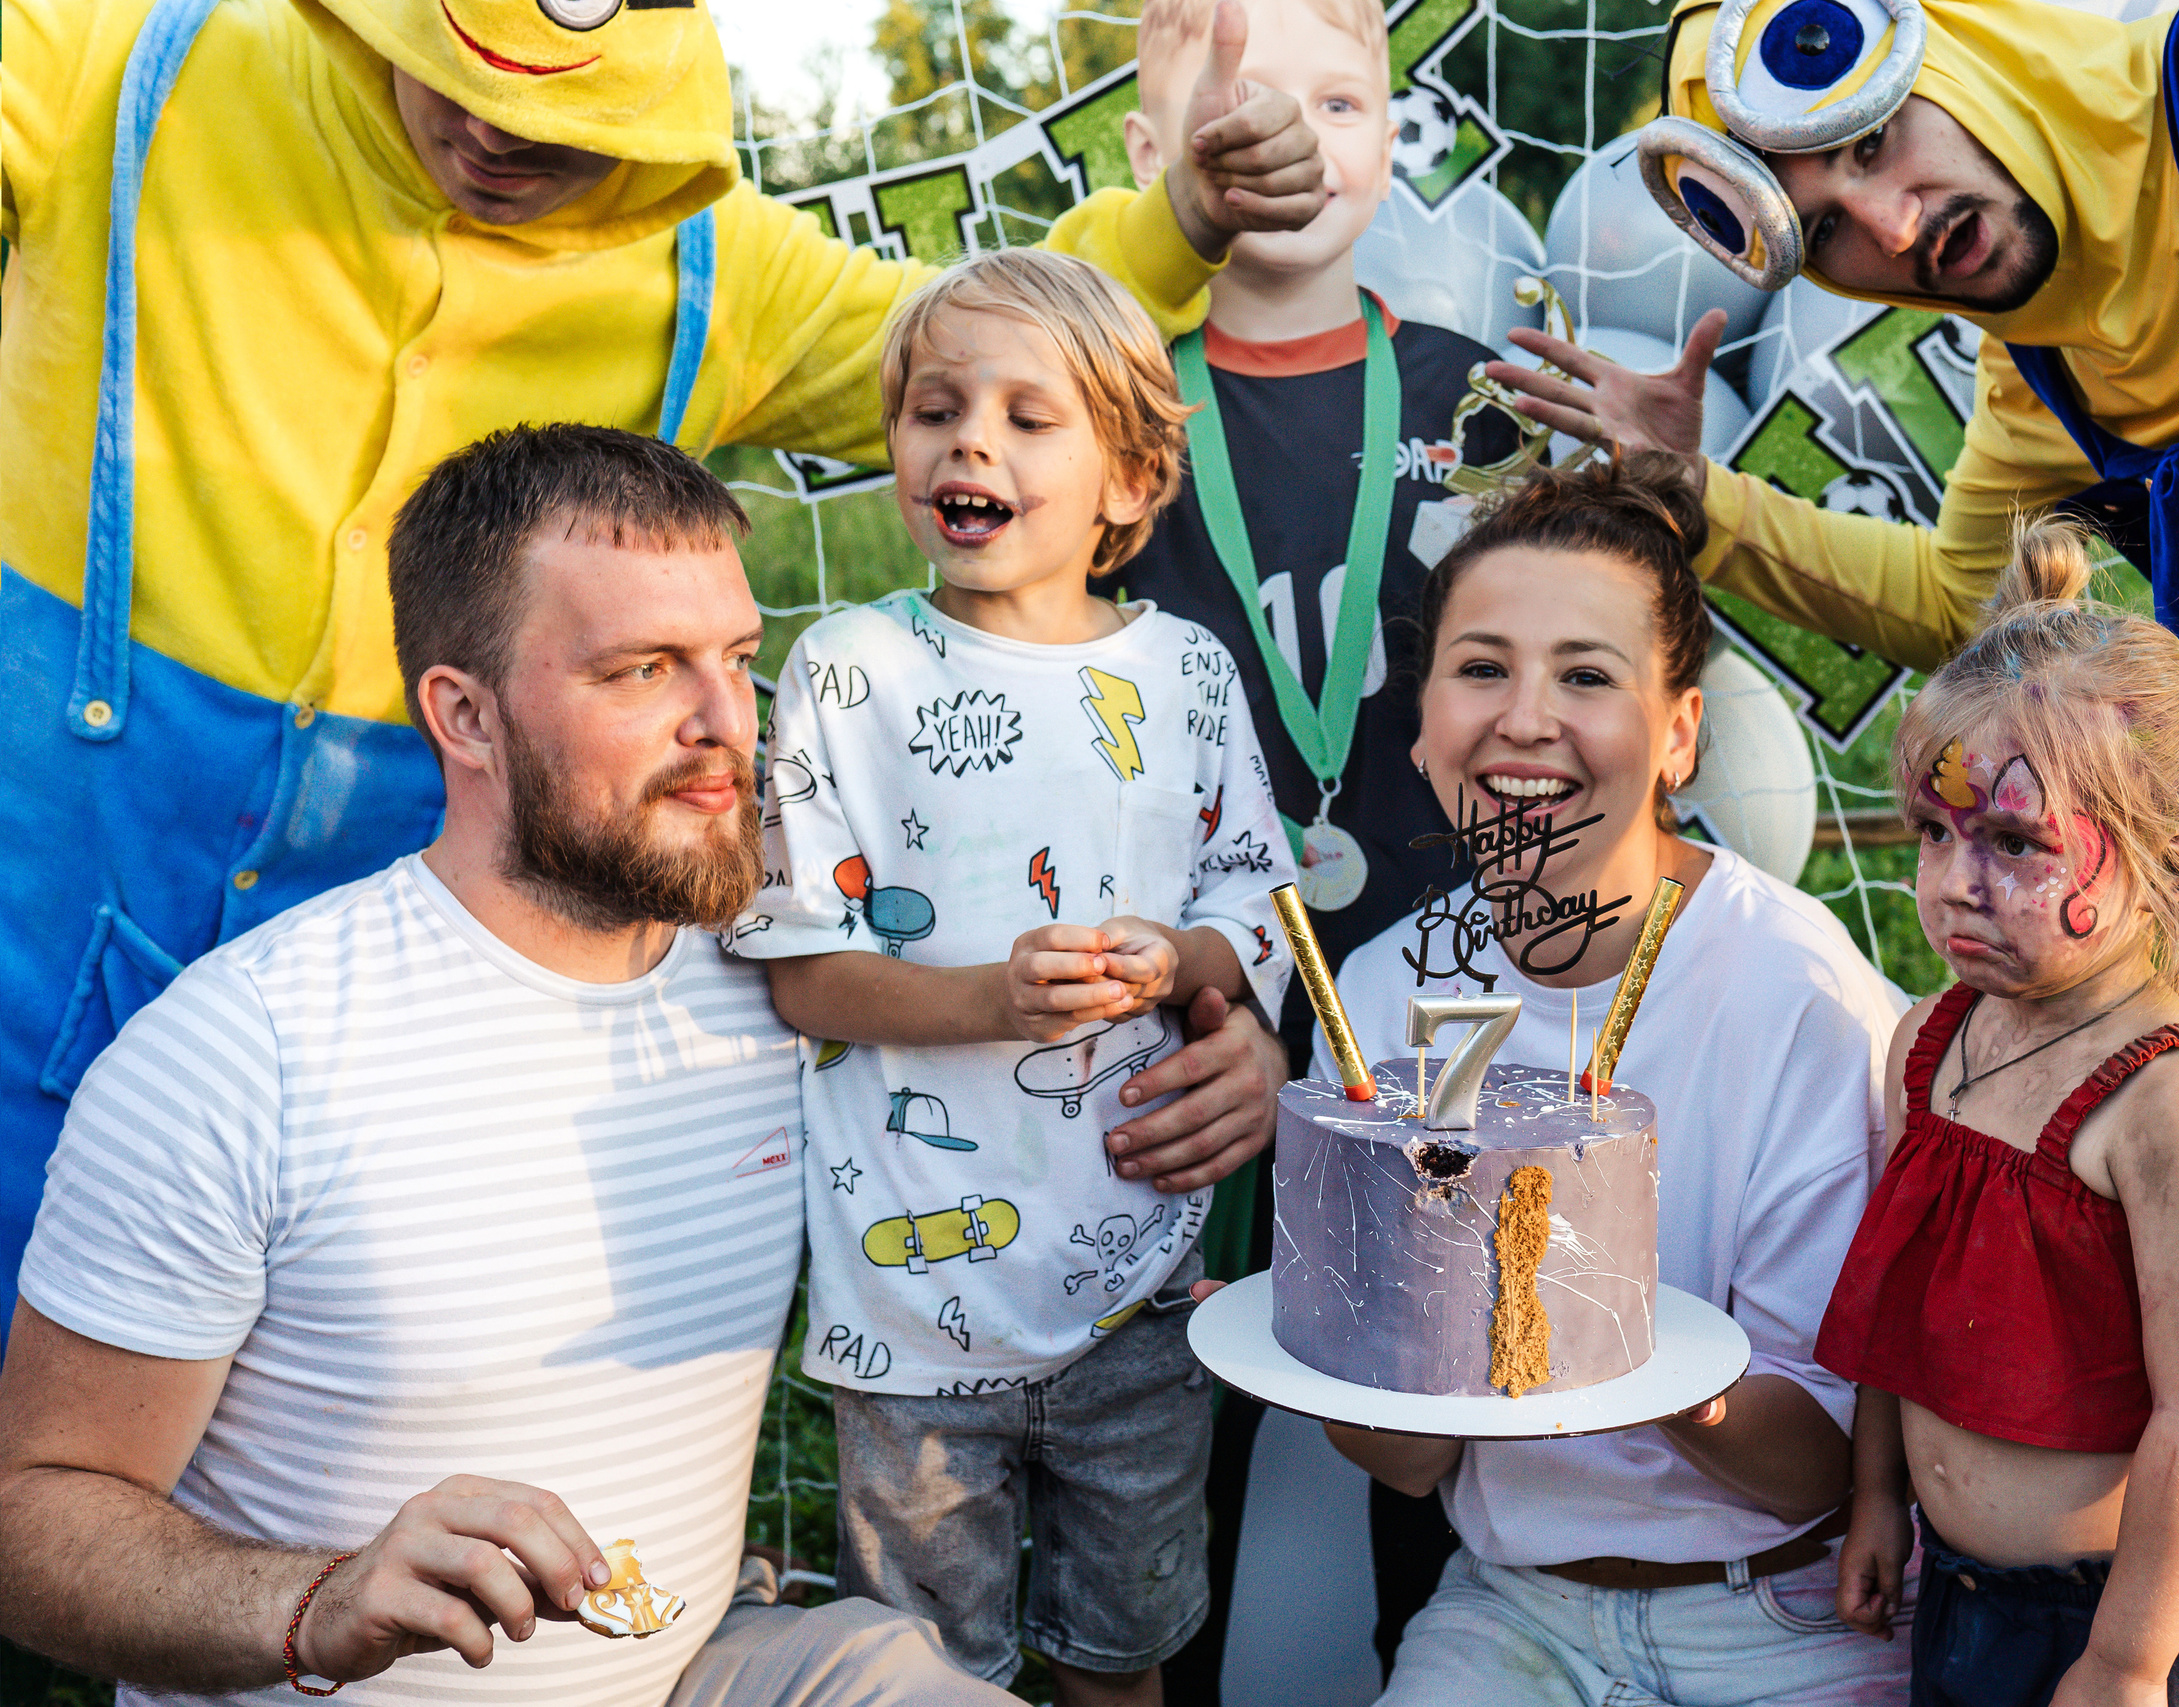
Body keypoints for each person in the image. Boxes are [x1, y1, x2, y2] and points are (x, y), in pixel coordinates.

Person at [1494, 2, 2179, 1697]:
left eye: (1872, 142)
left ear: (1952, 52)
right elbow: (1952, 602)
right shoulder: (2037, 367)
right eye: (1827, 228)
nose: (1892, 221)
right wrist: (1700, 493)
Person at [0, 0, 1329, 1328]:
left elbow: (985, 341)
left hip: (443, 905)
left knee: (369, 1331)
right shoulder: (118, 62)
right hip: (49, 860)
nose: (494, 131)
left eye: (553, 115)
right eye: (461, 77)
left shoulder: (715, 265)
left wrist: (1181, 220)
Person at [0, 424, 1017, 1705]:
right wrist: (319, 1602)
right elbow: (32, 1520)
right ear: (466, 716)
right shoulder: (243, 1057)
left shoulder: (791, 978)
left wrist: (1214, 1049)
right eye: (644, 670)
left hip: (697, 1669)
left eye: (737, 659)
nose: (728, 724)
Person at [727, 250, 1293, 1707]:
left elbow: (1257, 906)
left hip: (1139, 1297)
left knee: (1123, 1657)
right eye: (936, 410)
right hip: (911, 1315)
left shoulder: (1189, 673)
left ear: (1130, 479)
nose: (968, 442)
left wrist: (1179, 958)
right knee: (924, 1673)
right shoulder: (848, 668)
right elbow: (805, 973)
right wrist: (994, 999)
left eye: (1028, 417)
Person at [1314, 454, 1909, 1704]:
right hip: (1510, 1606)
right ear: (1422, 724)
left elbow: (1814, 1469)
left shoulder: (1797, 996)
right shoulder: (1376, 996)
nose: (1525, 719)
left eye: (1586, 676)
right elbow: (1406, 1462)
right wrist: (1338, 1318)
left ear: (1678, 733)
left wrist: (1605, 1324)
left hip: (1784, 1614)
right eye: (1482, 668)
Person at [1111, 0, 1521, 1679]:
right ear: (1148, 153)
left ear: (1392, 141)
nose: (1296, 141)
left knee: (1444, 1371)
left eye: (1341, 104)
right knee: (1166, 1417)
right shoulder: (1112, 406)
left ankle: (1448, 1666)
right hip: (1195, 998)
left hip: (1450, 981)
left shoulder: (1479, 395)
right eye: (1245, 104)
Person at [1815, 518, 2179, 1706]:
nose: (1955, 883)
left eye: (2015, 842)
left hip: (2138, 1628)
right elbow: (1895, 1308)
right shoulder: (1929, 1044)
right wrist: (1875, 1497)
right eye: (1933, 834)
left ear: (2169, 863)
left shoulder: (2175, 1103)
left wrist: (2126, 1664)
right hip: (1963, 1604)